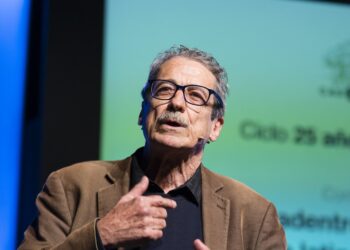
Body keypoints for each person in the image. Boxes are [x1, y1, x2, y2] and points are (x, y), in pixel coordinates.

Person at [19, 45, 287, 250]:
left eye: (195, 96)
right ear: (142, 112)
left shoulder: (254, 214)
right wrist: (100, 236)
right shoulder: (72, 187)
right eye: (164, 90)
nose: (177, 103)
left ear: (215, 126)